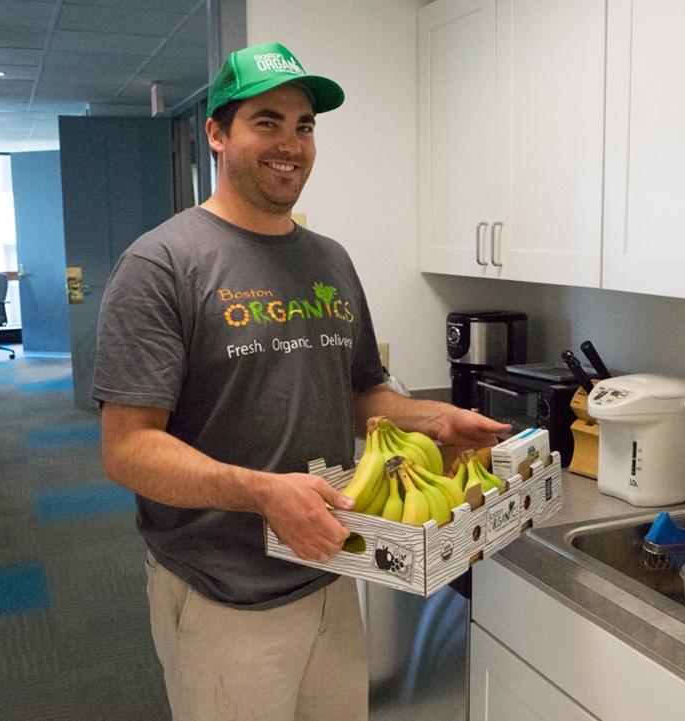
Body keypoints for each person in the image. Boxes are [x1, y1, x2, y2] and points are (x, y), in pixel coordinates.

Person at [92, 41, 509, 721]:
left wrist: (436, 420)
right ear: (218, 133)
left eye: (305, 125)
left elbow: (359, 393)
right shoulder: (162, 264)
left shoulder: (329, 260)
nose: (291, 143)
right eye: (268, 121)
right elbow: (128, 447)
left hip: (332, 566)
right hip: (224, 592)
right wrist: (260, 491)